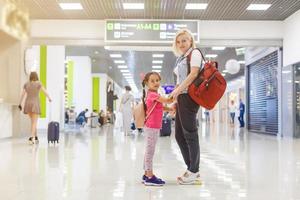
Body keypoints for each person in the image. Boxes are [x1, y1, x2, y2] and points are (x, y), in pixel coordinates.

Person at [170, 29, 203, 185]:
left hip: (189, 97)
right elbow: (181, 78)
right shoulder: (181, 58)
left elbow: (194, 74)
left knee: (190, 133)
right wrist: (175, 99)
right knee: (179, 134)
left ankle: (194, 171)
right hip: (182, 98)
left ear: (190, 40)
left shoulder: (194, 53)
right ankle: (191, 168)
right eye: (179, 41)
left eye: (184, 40)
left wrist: (177, 90)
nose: (181, 44)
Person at [141, 72, 173, 186]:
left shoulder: (153, 94)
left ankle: (146, 174)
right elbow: (168, 100)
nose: (156, 83)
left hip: (152, 126)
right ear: (147, 83)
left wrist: (169, 109)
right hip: (152, 127)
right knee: (150, 151)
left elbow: (160, 106)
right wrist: (176, 92)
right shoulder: (153, 94)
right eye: (152, 81)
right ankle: (149, 176)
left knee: (149, 150)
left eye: (157, 80)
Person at [18, 71, 52, 144]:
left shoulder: (26, 84)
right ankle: (31, 138)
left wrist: (20, 103)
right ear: (36, 76)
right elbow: (44, 91)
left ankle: (36, 137)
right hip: (35, 104)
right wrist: (49, 97)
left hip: (27, 104)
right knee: (34, 122)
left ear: (30, 76)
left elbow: (22, 94)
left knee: (33, 122)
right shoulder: (38, 83)